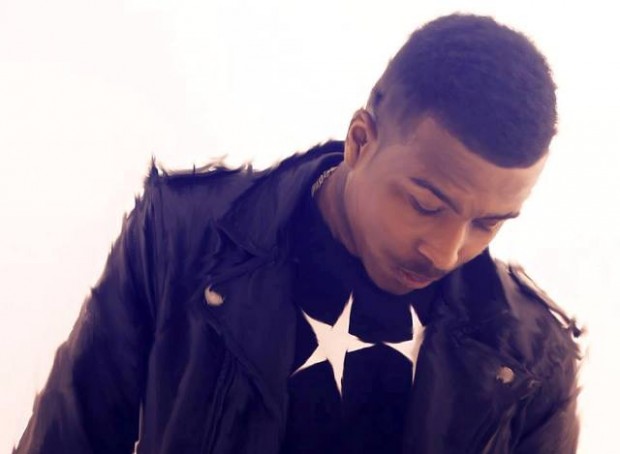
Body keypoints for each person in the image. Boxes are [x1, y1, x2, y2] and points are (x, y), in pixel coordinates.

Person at [15, 13, 581, 454]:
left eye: (488, 223)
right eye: (425, 204)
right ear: (360, 141)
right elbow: (69, 438)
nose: (446, 251)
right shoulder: (183, 238)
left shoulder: (532, 361)